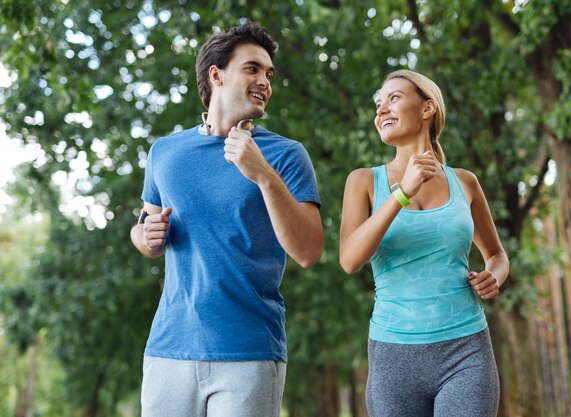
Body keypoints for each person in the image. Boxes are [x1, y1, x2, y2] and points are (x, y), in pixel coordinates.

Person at [130, 22, 323, 417]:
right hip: (169, 350)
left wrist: (263, 175)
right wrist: (145, 237)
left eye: (269, 73)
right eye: (252, 69)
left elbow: (308, 250)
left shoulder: (285, 154)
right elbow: (144, 229)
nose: (265, 80)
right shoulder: (165, 152)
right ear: (216, 75)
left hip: (249, 352)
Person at [339, 69, 509, 417]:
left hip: (466, 349)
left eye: (394, 98)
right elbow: (350, 260)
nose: (381, 109)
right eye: (378, 103)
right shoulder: (363, 182)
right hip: (392, 356)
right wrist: (403, 192)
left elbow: (496, 255)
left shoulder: (465, 182)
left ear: (428, 107)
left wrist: (495, 275)